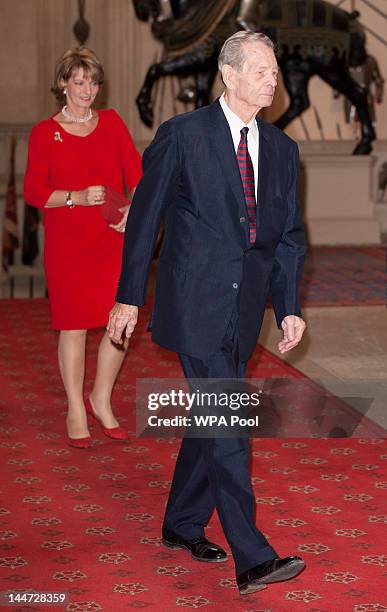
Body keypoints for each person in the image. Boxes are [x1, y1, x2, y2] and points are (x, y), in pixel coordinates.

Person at [108, 31, 307, 595]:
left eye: (275, 71)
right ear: (230, 74)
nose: (274, 80)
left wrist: (288, 307)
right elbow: (145, 223)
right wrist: (128, 296)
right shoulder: (183, 137)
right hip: (194, 302)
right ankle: (254, 557)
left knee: (210, 417)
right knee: (228, 423)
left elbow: (289, 238)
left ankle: (181, 522)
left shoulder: (283, 150)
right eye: (264, 71)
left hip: (244, 311)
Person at [24, 47, 142, 448]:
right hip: (67, 244)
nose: (88, 90)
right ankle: (76, 406)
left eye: (93, 82)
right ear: (62, 85)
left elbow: (138, 175)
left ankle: (101, 399)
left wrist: (135, 212)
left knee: (117, 324)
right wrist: (75, 196)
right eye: (79, 82)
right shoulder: (44, 132)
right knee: (73, 327)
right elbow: (34, 192)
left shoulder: (112, 123)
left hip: (113, 240)